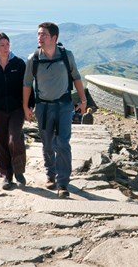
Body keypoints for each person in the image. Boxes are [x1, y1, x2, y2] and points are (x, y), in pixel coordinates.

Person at [22, 22, 87, 199]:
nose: (39, 38)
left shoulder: (66, 55)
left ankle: (63, 182)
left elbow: (76, 78)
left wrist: (83, 100)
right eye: (38, 34)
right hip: (43, 106)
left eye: (43, 34)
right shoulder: (33, 58)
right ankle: (50, 174)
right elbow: (27, 84)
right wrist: (25, 106)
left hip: (64, 105)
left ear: (54, 38)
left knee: (63, 143)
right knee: (47, 142)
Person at [0, 32, 29, 190]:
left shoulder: (19, 63)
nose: (6, 48)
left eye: (8, 44)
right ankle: (6, 175)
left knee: (14, 138)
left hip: (17, 109)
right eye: (2, 45)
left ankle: (19, 171)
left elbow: (27, 86)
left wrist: (29, 106)